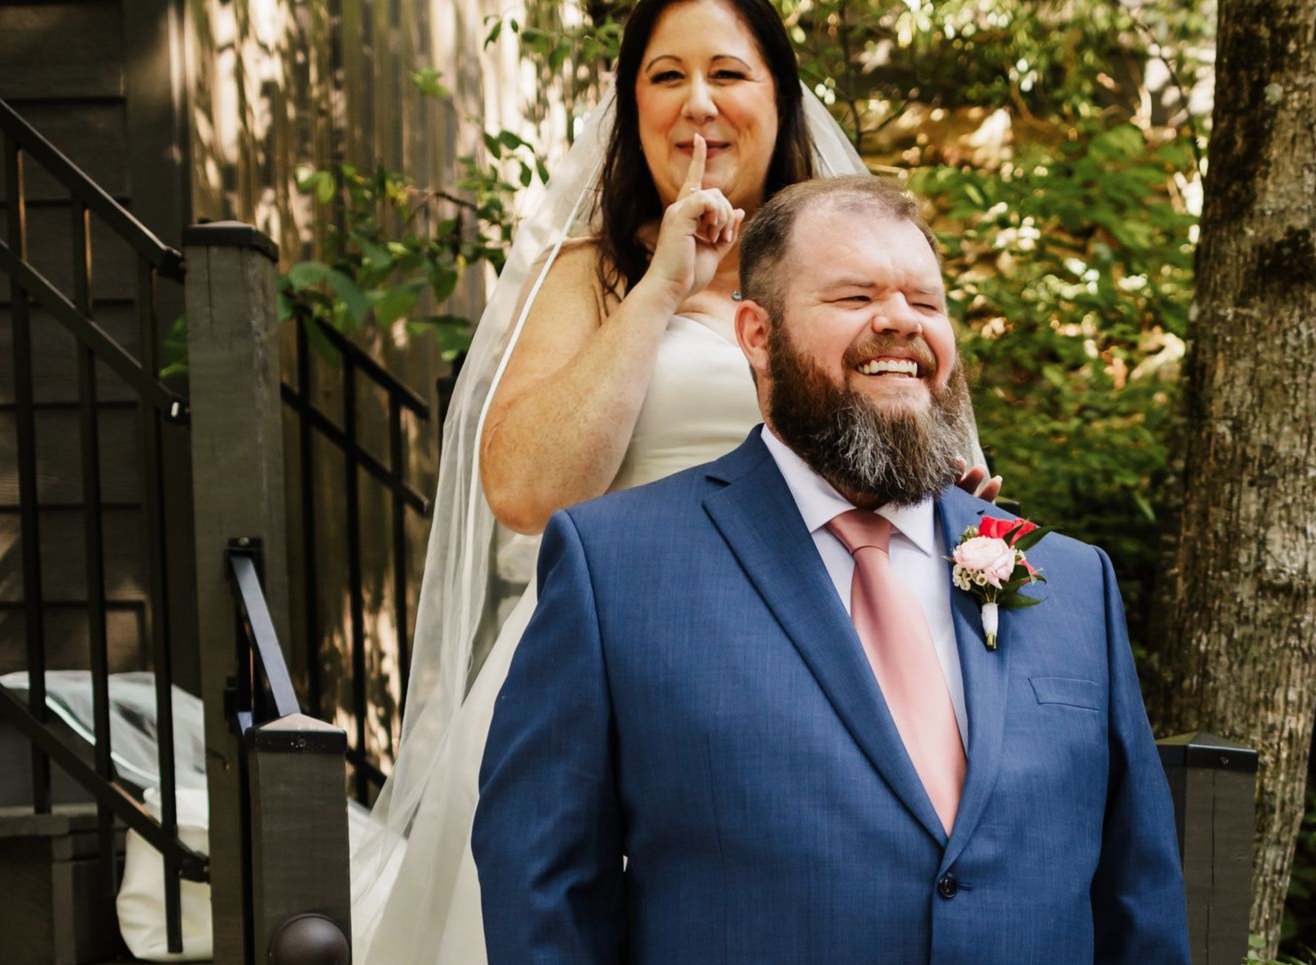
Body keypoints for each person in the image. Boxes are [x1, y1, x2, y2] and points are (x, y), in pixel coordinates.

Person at [350, 0, 956, 965]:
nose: (698, 103)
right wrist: (665, 284)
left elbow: (912, 451)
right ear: (632, 108)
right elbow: (525, 490)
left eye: (729, 72)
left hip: (833, 657)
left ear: (780, 97)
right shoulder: (585, 277)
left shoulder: (859, 280)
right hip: (603, 672)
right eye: (665, 77)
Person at [476, 176, 1192, 965]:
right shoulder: (615, 569)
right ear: (756, 334)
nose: (899, 321)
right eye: (855, 296)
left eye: (926, 301)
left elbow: (1139, 899)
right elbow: (543, 888)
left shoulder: (1071, 583)